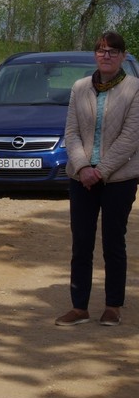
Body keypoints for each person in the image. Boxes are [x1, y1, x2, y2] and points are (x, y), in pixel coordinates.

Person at [57, 31, 139, 327]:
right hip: (81, 178)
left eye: (113, 51)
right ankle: (79, 307)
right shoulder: (79, 88)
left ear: (124, 56)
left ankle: (113, 306)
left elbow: (130, 138)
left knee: (113, 242)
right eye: (102, 50)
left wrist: (100, 171)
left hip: (119, 179)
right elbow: (71, 132)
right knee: (81, 242)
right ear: (95, 54)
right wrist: (82, 168)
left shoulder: (135, 89)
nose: (106, 55)